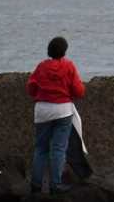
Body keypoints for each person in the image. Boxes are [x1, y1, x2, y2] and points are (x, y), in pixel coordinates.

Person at [26, 37, 85, 194]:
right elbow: (79, 91)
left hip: (42, 110)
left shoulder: (41, 67)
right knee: (58, 149)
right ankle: (55, 185)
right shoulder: (68, 66)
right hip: (63, 110)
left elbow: (31, 88)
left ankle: (36, 185)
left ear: (49, 50)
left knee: (40, 149)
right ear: (64, 51)